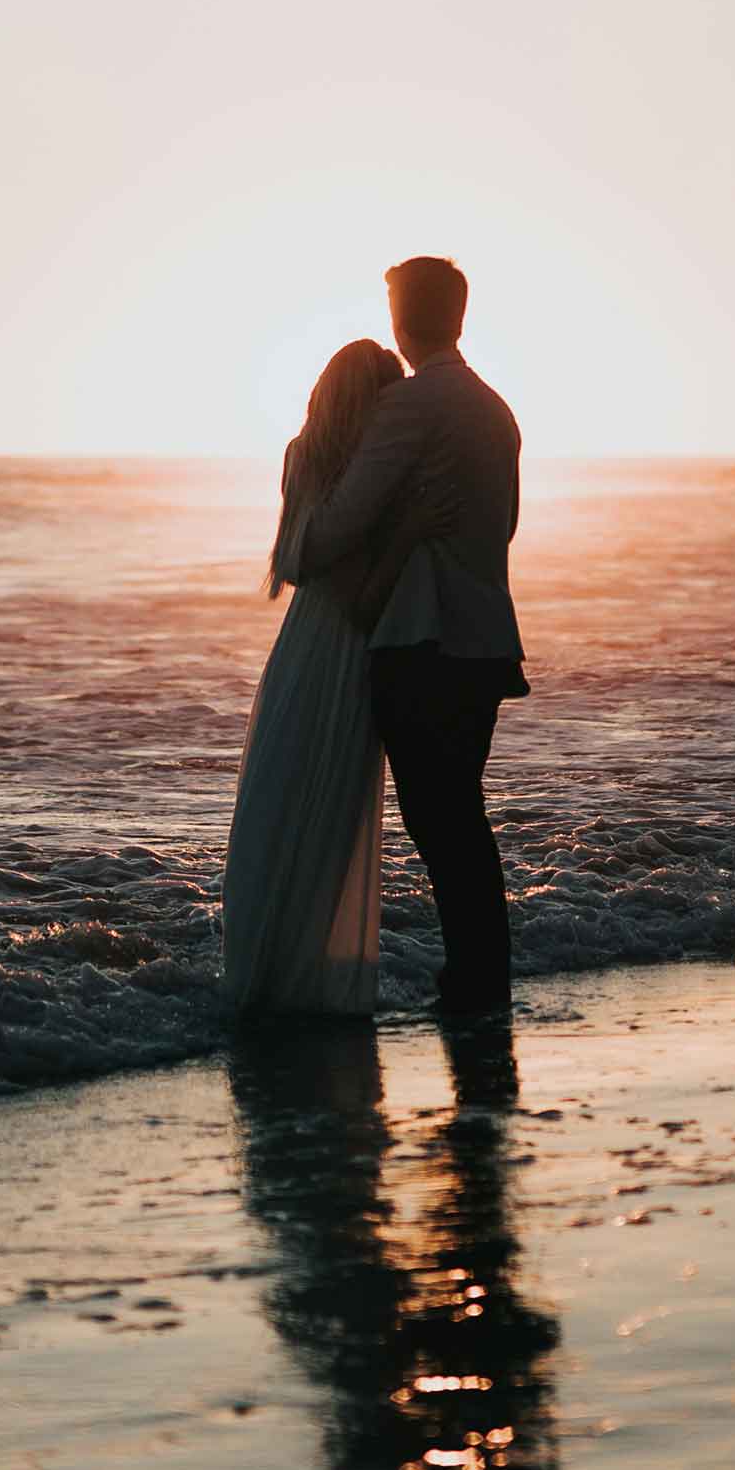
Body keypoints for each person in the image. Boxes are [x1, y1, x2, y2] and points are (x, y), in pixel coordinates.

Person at [293, 257, 527, 1013]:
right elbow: (508, 527)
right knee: (461, 815)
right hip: (487, 640)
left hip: (423, 644)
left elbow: (334, 531)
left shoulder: (412, 406)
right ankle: (480, 977)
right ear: (458, 316)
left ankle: (475, 985)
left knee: (441, 821)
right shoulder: (497, 410)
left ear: (401, 317)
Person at [221, 339, 451, 1014]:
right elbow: (360, 596)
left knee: (278, 806)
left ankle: (264, 971)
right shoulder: (371, 480)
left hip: (301, 648)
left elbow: (299, 569)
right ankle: (297, 981)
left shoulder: (307, 456)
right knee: (323, 819)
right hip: (348, 654)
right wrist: (407, 532)